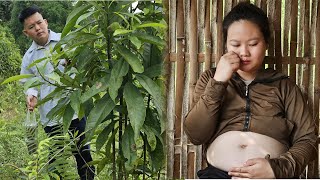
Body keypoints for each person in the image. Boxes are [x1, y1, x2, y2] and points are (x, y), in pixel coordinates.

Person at [184, 2, 317, 179]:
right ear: (226, 45)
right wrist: (219, 82)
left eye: (253, 44)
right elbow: (196, 135)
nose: (244, 52)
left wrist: (277, 169)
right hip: (217, 175)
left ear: (266, 43)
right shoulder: (210, 79)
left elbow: (307, 139)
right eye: (235, 44)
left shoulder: (285, 87)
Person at [19, 6, 95, 180]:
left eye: (39, 23)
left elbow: (84, 65)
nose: (37, 28)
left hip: (75, 110)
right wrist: (31, 95)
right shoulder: (29, 57)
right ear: (26, 33)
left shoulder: (66, 41)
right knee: (54, 159)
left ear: (45, 22)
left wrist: (75, 62)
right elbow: (29, 83)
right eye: (31, 27)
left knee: (83, 154)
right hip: (50, 116)